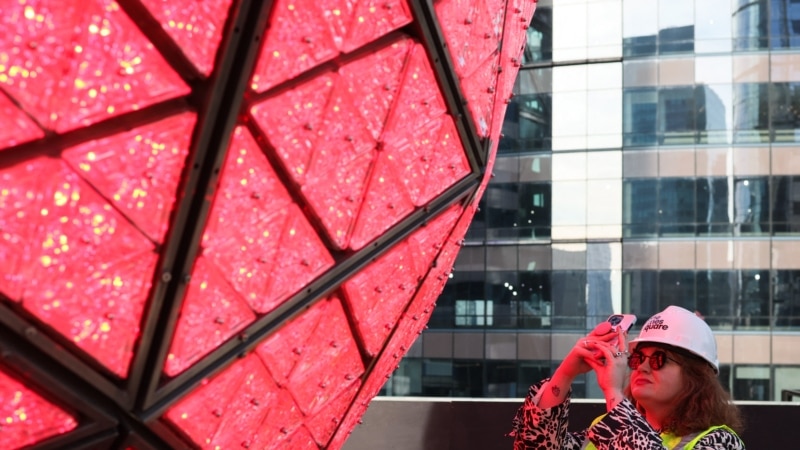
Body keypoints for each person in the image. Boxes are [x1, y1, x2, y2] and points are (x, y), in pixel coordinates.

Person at [509, 305, 745, 449]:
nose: (641, 367)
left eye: (658, 359)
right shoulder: (602, 431)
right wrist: (566, 372)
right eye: (637, 358)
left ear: (696, 376)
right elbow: (533, 445)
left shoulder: (721, 442)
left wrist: (613, 393)